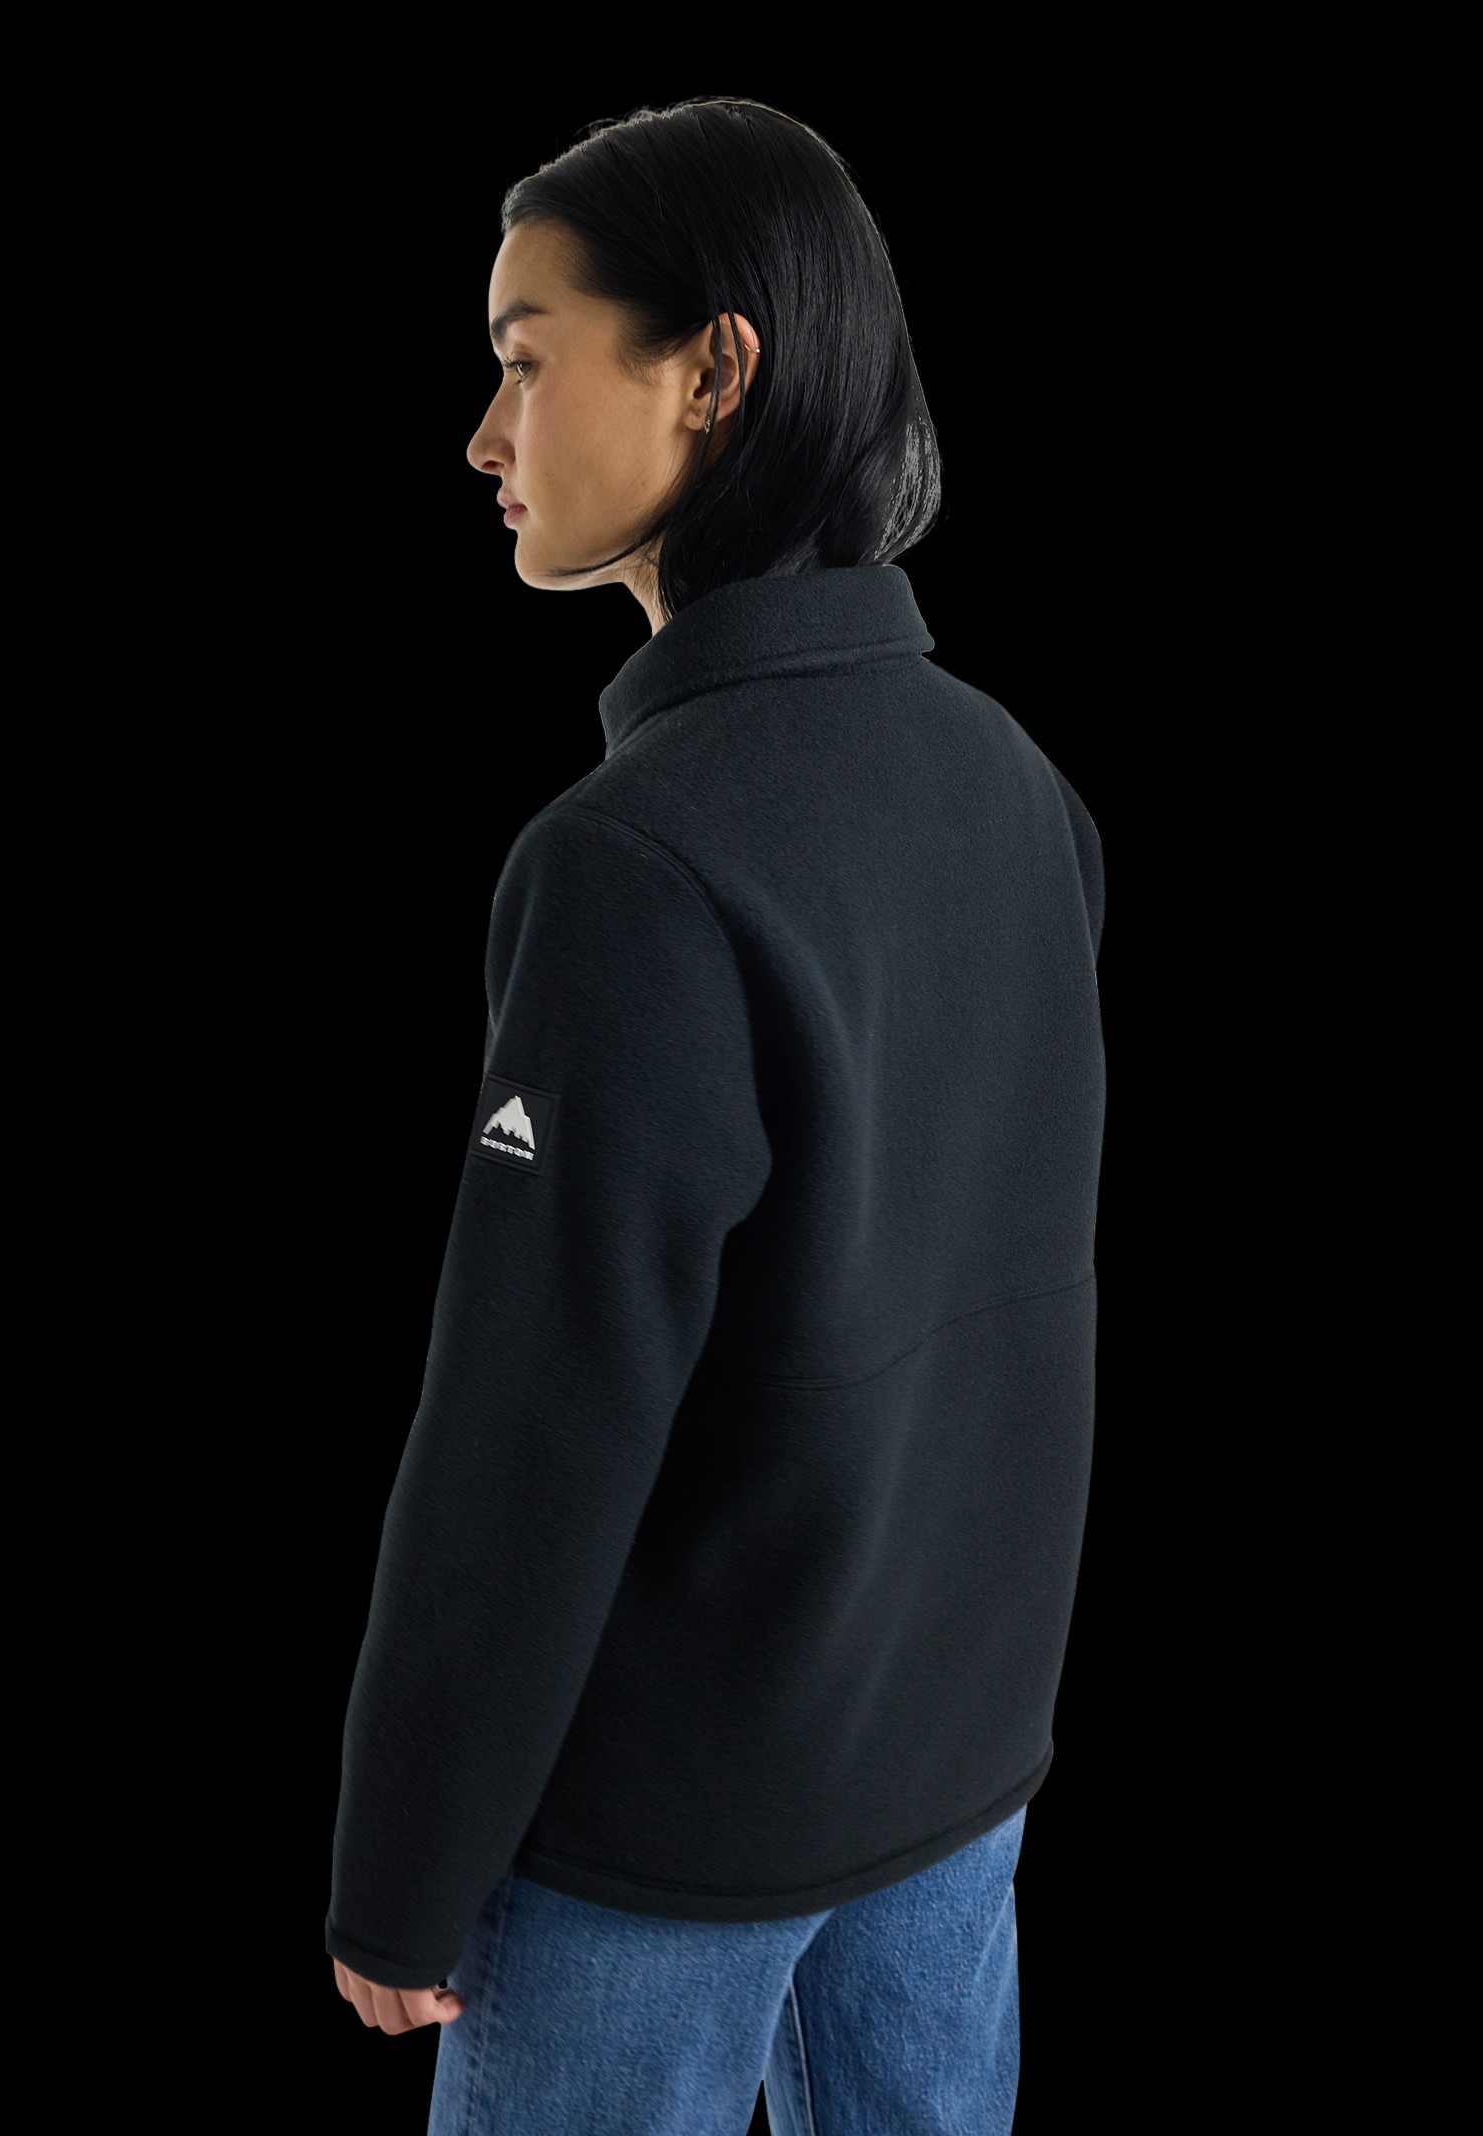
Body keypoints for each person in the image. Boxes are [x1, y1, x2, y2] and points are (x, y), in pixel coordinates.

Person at [327, 96, 1104, 2136]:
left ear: (713, 369)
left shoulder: (632, 864)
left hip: (658, 1849)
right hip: (949, 1783)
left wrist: (400, 1867)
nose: (484, 436)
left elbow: (532, 1424)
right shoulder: (1012, 780)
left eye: (523, 360)